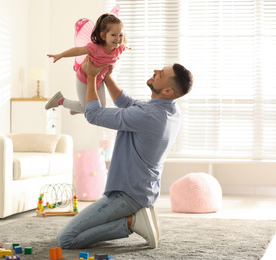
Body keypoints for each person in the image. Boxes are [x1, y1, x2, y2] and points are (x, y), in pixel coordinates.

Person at [56, 56, 193, 249]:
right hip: (143, 189)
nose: (155, 71)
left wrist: (92, 79)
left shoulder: (148, 116)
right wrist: (107, 77)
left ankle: (131, 222)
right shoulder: (170, 110)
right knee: (79, 230)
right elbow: (126, 102)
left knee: (66, 239)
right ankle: (136, 217)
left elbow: (93, 114)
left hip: (127, 194)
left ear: (168, 91)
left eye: (161, 74)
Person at [45, 11, 129, 115]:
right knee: (88, 107)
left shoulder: (119, 48)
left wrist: (126, 45)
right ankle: (60, 100)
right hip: (84, 78)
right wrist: (61, 55)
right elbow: (78, 50)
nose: (118, 39)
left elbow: (124, 43)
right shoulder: (96, 47)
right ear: (103, 36)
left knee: (101, 107)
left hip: (99, 79)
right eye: (113, 35)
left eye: (120, 35)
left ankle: (79, 108)